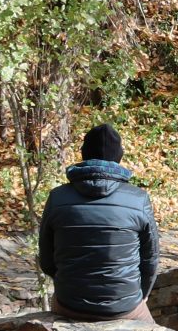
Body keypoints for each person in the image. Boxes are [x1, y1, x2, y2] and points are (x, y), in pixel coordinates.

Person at [37, 124, 160, 320]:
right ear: (119, 156)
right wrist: (141, 295)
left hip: (70, 303)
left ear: (84, 154)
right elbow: (150, 259)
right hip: (125, 305)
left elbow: (46, 259)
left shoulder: (57, 197)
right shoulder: (138, 199)